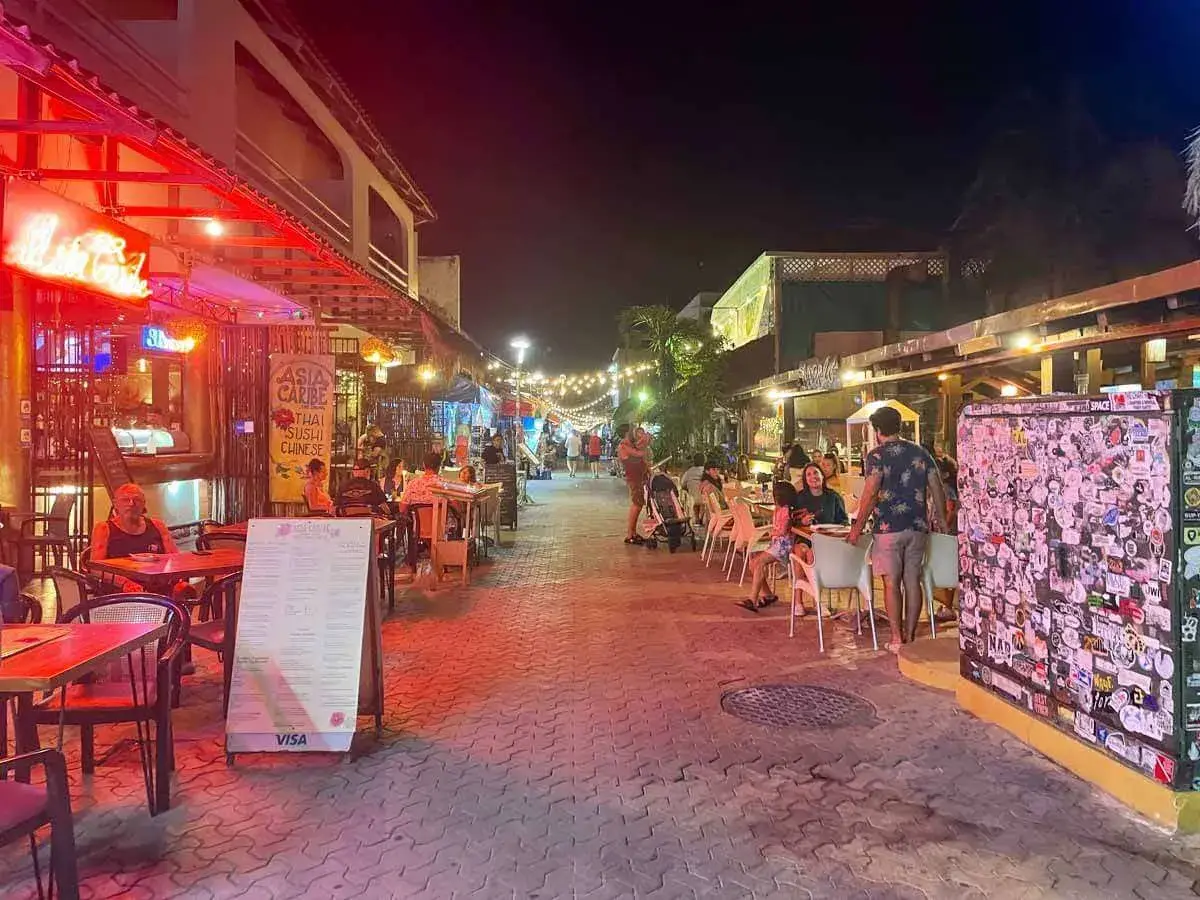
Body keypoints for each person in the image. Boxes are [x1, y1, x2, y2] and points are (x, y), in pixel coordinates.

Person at [846, 405, 946, 653]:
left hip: (888, 527)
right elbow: (937, 487)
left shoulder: (876, 456)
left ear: (877, 429)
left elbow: (870, 493)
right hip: (917, 526)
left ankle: (896, 638)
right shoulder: (920, 452)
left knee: (891, 583)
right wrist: (942, 520)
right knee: (912, 580)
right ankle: (910, 635)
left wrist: (857, 527)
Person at [739, 480, 799, 612]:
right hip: (776, 543)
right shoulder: (779, 509)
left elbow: (783, 531)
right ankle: (768, 595)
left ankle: (752, 599)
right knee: (753, 563)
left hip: (783, 546)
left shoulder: (786, 511)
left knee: (758, 562)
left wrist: (771, 532)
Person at [91, 483, 179, 560]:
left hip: (155, 573)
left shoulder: (158, 525)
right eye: (125, 500)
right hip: (119, 574)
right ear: (115, 504)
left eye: (137, 500)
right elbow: (96, 567)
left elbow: (175, 558)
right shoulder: (103, 529)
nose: (131, 504)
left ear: (143, 504)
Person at [618, 425, 651, 544]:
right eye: (632, 431)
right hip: (634, 479)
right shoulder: (624, 446)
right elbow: (639, 454)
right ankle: (630, 534)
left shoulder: (630, 445)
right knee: (637, 504)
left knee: (638, 504)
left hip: (639, 478)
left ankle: (633, 533)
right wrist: (644, 441)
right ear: (627, 433)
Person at [680, 453, 706, 519]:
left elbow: (682, 484)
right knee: (703, 500)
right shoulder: (706, 471)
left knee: (695, 499)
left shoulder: (689, 472)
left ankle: (697, 518)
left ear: (694, 461)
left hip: (693, 499)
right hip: (705, 498)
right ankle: (701, 517)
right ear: (704, 461)